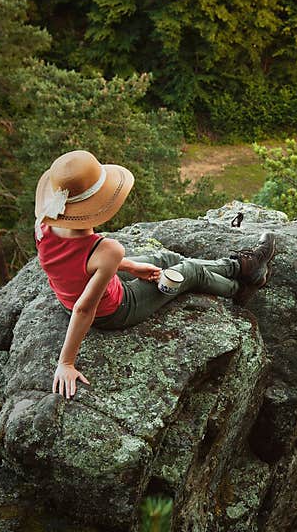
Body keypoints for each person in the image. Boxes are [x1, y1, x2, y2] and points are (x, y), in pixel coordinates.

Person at [34, 150, 276, 399]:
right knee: (189, 271)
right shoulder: (107, 250)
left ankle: (243, 268)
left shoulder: (44, 222)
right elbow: (85, 308)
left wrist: (130, 267)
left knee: (169, 260)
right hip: (115, 310)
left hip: (73, 293)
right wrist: (66, 362)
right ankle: (240, 286)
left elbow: (78, 264)